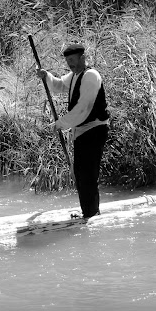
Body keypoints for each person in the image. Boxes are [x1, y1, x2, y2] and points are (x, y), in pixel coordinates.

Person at [36, 43, 110, 219]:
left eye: (72, 60)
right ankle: (89, 212)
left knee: (87, 174)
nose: (70, 64)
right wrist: (46, 76)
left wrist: (60, 123)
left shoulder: (91, 76)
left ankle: (91, 214)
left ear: (83, 58)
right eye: (68, 61)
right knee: (80, 173)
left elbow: (83, 108)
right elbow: (59, 85)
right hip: (82, 131)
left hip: (95, 129)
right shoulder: (75, 75)